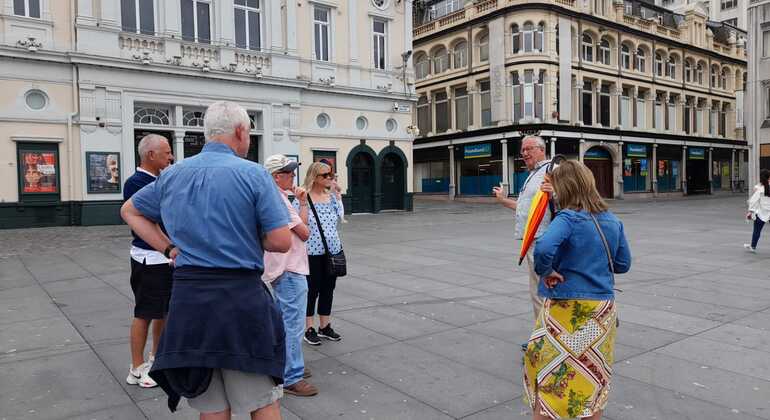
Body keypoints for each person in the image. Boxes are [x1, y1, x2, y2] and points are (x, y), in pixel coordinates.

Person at [121, 101, 292, 420]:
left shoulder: (173, 174)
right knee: (262, 402)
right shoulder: (253, 174)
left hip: (190, 302)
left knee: (211, 405)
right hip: (240, 301)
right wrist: (246, 235)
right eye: (249, 133)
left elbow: (129, 210)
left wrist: (169, 249)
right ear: (240, 131)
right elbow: (282, 241)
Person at [524, 160, 631, 420]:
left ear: (566, 187)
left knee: (550, 373)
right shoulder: (612, 220)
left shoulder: (568, 218)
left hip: (566, 309)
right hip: (602, 311)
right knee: (593, 376)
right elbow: (623, 264)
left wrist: (547, 271)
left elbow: (543, 248)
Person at [262, 154, 319, 397]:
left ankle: (288, 365)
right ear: (277, 176)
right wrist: (302, 207)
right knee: (292, 324)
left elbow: (301, 228)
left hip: (282, 267)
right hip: (289, 268)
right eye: (289, 173)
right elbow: (305, 233)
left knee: (285, 321)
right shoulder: (279, 201)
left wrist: (302, 203)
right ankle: (291, 376)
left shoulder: (277, 198)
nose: (293, 176)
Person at [123, 134, 174, 389]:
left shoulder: (160, 179)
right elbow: (149, 221)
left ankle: (156, 358)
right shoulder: (136, 183)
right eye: (167, 152)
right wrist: (170, 247)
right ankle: (136, 367)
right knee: (144, 313)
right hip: (149, 258)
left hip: (163, 258)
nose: (171, 157)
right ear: (151, 155)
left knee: (162, 312)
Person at [492, 136, 552, 349]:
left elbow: (569, 199)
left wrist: (556, 192)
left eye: (529, 149)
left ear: (542, 149)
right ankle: (544, 336)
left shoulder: (552, 170)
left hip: (544, 240)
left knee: (542, 292)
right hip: (533, 240)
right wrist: (503, 200)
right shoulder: (534, 175)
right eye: (522, 150)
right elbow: (526, 208)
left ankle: (545, 341)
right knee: (538, 291)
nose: (524, 153)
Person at [299, 162, 344, 346]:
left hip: (332, 250)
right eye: (325, 175)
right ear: (314, 177)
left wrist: (338, 195)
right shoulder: (304, 197)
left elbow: (341, 217)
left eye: (331, 175)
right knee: (312, 289)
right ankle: (309, 328)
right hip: (312, 252)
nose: (329, 178)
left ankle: (324, 326)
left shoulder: (331, 197)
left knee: (328, 289)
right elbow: (298, 223)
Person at [744, 169, 770, 253]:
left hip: (761, 213)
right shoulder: (763, 187)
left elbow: (753, 201)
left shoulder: (760, 189)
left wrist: (750, 211)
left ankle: (753, 246)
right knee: (757, 230)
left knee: (757, 231)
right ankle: (752, 246)